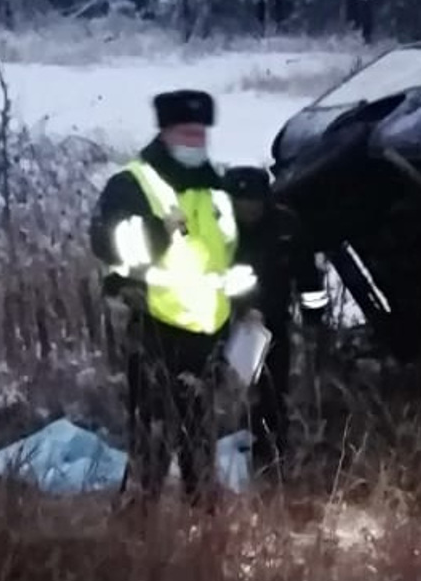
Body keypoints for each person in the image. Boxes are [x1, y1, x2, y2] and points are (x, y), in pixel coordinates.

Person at [88, 89, 256, 501]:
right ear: (164, 133)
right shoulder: (133, 183)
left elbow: (232, 253)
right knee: (152, 445)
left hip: (210, 334)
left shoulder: (215, 188)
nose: (194, 142)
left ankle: (202, 537)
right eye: (186, 133)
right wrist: (157, 230)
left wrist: (248, 309)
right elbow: (111, 247)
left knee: (201, 445)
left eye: (200, 134)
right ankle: (139, 535)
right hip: (156, 332)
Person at [222, 165, 327, 465]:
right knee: (220, 393)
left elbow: (309, 280)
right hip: (221, 324)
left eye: (253, 201)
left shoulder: (286, 226)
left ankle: (269, 461)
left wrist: (313, 323)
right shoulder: (215, 228)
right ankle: (222, 456)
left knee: (271, 396)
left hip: (272, 327)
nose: (248, 208)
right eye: (240, 202)